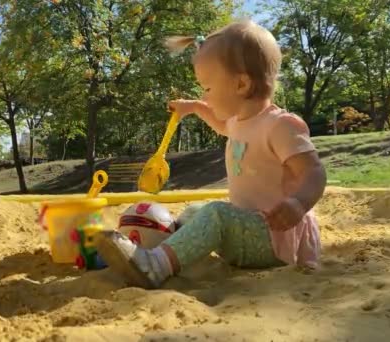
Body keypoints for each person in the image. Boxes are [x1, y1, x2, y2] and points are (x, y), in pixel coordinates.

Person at [95, 18, 327, 289]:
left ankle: (155, 265)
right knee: (195, 212)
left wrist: (298, 204)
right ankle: (162, 250)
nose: (205, 97)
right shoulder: (239, 120)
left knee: (215, 214)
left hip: (275, 237)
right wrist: (192, 107)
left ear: (241, 85)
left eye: (207, 88)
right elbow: (218, 121)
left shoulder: (280, 126)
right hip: (247, 228)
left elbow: (314, 171)